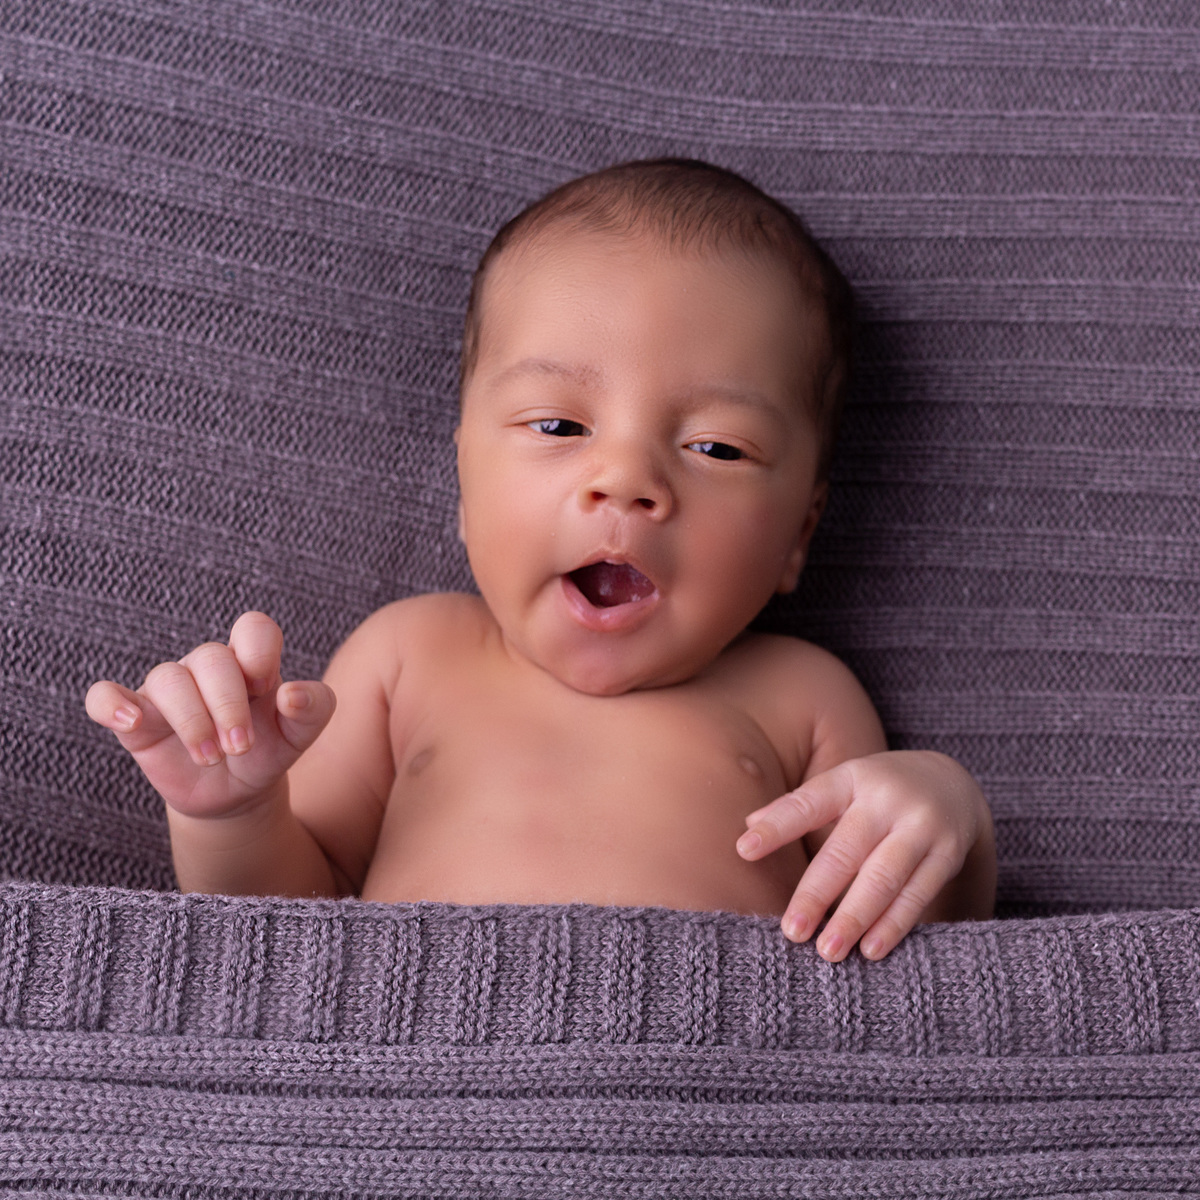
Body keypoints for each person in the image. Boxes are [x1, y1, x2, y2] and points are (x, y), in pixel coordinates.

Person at [85, 158, 995, 963]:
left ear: (800, 531)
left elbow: (892, 951)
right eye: (559, 426)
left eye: (718, 448)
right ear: (465, 482)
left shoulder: (801, 697)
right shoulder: (411, 658)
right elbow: (287, 946)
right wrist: (234, 812)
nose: (627, 481)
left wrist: (948, 822)